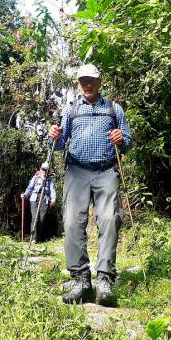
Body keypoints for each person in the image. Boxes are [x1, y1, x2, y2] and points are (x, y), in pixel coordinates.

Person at [48, 64, 132, 306]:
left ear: (100, 82)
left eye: (92, 80)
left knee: (109, 219)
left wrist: (121, 138)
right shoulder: (71, 109)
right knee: (72, 222)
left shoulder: (114, 109)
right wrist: (53, 136)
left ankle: (104, 280)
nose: (88, 84)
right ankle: (81, 281)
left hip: (107, 170)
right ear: (78, 83)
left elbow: (127, 143)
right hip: (76, 170)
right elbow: (60, 143)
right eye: (83, 80)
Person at [22, 162, 56, 243]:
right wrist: (25, 195)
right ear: (41, 169)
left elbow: (52, 190)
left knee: (42, 219)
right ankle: (33, 238)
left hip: (44, 199)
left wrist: (53, 199)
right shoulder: (36, 177)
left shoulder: (50, 180)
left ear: (49, 171)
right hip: (34, 198)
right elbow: (30, 188)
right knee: (35, 218)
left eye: (46, 170)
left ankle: (39, 237)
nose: (44, 171)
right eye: (43, 169)